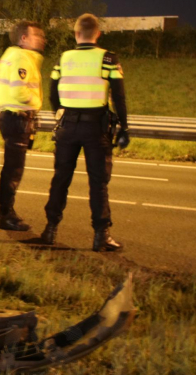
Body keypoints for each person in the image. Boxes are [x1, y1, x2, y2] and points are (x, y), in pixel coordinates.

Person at [41, 13, 130, 251]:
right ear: (97, 34)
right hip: (96, 128)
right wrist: (124, 126)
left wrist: (59, 114)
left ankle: (50, 230)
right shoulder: (108, 58)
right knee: (98, 182)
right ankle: (101, 235)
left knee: (61, 179)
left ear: (76, 34)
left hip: (67, 126)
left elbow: (52, 92)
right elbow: (119, 97)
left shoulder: (64, 58)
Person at [0, 20, 46, 231]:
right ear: (23, 38)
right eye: (36, 35)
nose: (41, 39)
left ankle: (4, 212)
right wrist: (36, 103)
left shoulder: (13, 56)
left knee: (11, 168)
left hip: (13, 118)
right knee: (14, 170)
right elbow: (19, 91)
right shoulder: (20, 58)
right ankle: (6, 214)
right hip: (18, 118)